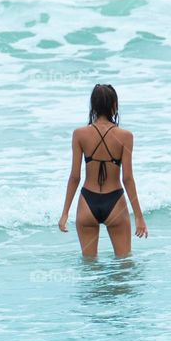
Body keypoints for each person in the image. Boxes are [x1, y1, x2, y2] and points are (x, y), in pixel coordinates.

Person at [58, 84, 148, 257]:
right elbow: (127, 178)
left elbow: (74, 177)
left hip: (87, 203)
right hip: (115, 202)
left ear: (93, 105)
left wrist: (64, 214)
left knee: (90, 267)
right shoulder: (126, 136)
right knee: (124, 266)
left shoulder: (79, 134)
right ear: (114, 105)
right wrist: (139, 216)